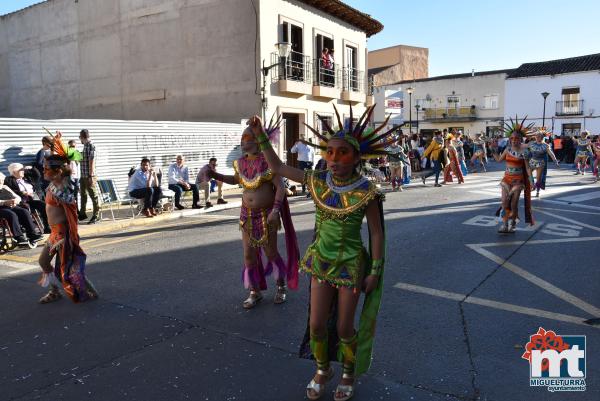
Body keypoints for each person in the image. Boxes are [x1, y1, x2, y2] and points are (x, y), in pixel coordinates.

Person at [254, 105, 389, 401]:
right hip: (320, 264)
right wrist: (262, 137)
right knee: (316, 324)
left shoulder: (367, 191)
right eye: (330, 152)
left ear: (357, 158)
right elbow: (277, 167)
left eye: (342, 153)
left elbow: (376, 233)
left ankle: (348, 372)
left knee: (343, 326)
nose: (334, 159)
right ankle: (322, 368)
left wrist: (375, 271)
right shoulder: (316, 181)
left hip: (351, 266)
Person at [206, 117, 299, 309]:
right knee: (248, 255)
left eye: (248, 137)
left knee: (271, 252)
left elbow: (280, 188)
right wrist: (214, 175)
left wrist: (275, 210)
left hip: (267, 214)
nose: (243, 140)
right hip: (246, 214)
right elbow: (236, 180)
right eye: (242, 137)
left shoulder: (268, 162)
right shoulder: (240, 163)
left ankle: (281, 286)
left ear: (257, 140)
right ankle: (254, 291)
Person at [37, 132, 98, 304]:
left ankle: (90, 291)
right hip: (54, 234)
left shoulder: (63, 190)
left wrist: (71, 237)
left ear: (57, 172)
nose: (43, 170)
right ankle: (55, 290)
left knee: (68, 266)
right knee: (45, 262)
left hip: (62, 235)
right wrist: (57, 144)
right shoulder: (53, 185)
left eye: (46, 168)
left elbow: (71, 210)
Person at [491, 118, 535, 233]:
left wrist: (532, 181)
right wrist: (493, 150)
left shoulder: (524, 152)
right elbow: (499, 160)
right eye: (512, 138)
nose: (514, 140)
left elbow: (528, 168)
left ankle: (513, 223)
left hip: (518, 181)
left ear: (521, 140)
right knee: (504, 203)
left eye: (516, 138)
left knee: (514, 205)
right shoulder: (507, 149)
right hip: (506, 180)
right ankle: (505, 224)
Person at [0, 172, 44, 246]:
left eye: (2, 180)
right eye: (0, 180)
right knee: (12, 214)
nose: (1, 181)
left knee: (24, 211)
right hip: (1, 208)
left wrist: (15, 201)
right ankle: (18, 236)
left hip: (12, 205)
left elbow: (18, 197)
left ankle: (32, 234)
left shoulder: (5, 187)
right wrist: (4, 202)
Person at [5, 163, 50, 233]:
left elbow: (37, 175)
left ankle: (47, 227)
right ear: (14, 172)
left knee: (43, 205)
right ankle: (32, 227)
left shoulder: (26, 177)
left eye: (23, 170)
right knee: (25, 208)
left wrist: (32, 168)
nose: (23, 171)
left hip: (33, 198)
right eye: (21, 170)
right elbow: (10, 191)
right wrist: (23, 193)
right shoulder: (9, 180)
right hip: (22, 201)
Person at [78, 129, 100, 224]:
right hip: (83, 175)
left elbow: (92, 160)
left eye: (80, 138)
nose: (79, 140)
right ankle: (82, 214)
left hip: (89, 175)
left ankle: (96, 215)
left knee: (93, 195)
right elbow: (84, 159)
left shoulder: (91, 146)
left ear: (82, 137)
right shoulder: (85, 146)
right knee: (83, 195)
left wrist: (91, 175)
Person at [528, 130, 559, 197]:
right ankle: (532, 184)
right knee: (528, 172)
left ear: (542, 137)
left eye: (539, 136)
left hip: (540, 163)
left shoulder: (546, 145)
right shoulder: (532, 144)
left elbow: (551, 154)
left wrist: (555, 161)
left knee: (538, 178)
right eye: (536, 136)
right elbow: (525, 148)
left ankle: (538, 191)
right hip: (532, 161)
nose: (537, 137)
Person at [67, 140, 82, 206]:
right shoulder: (67, 154)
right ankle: (72, 207)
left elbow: (78, 162)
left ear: (75, 146)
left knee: (76, 194)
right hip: (71, 176)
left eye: (73, 146)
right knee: (71, 193)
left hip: (77, 176)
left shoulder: (77, 153)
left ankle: (76, 209)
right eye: (70, 146)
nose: (72, 148)